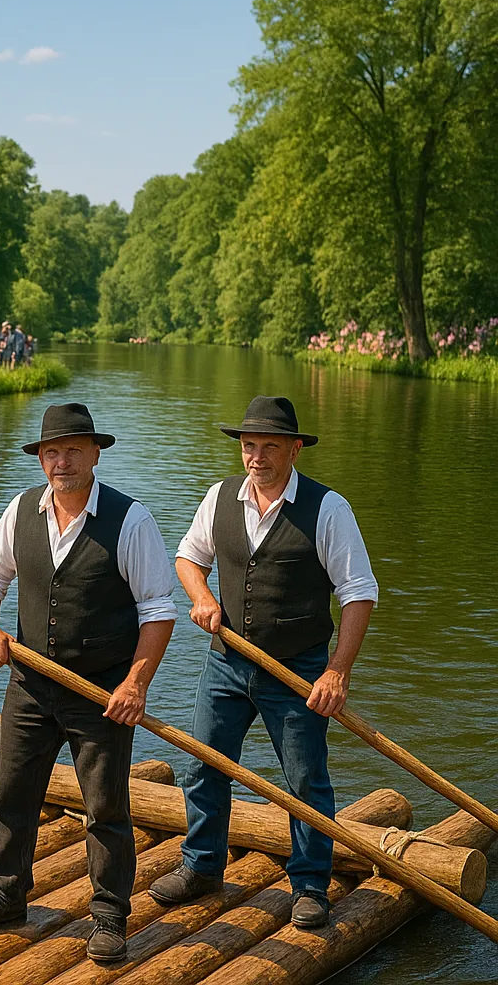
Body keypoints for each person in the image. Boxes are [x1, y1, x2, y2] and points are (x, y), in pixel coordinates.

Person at [0, 403, 177, 962]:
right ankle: (5, 894)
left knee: (105, 807)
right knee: (11, 792)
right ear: (41, 459)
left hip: (101, 693)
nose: (62, 460)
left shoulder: (130, 520)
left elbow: (158, 610)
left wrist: (135, 684)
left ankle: (108, 916)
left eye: (73, 449)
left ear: (96, 454)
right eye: (52, 451)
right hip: (30, 683)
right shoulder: (21, 510)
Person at [149, 396, 377, 930]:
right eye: (249, 446)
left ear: (295, 449)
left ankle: (310, 885)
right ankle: (202, 867)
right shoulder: (219, 496)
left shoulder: (328, 509)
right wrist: (201, 597)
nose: (256, 456)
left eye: (270, 446)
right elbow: (187, 557)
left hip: (298, 669)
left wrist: (336, 671)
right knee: (205, 765)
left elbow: (359, 593)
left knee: (305, 781)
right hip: (227, 662)